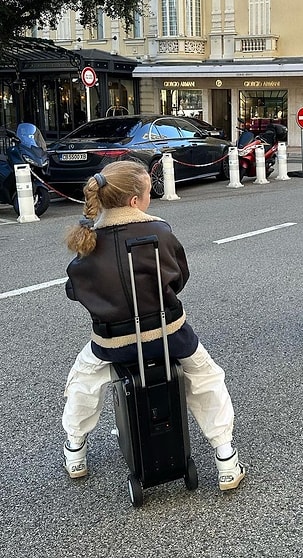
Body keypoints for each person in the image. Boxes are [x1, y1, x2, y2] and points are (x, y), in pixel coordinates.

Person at [61, 160, 246, 491]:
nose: (151, 197)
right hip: (169, 333)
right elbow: (180, 277)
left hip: (112, 341)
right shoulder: (159, 231)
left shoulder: (88, 240)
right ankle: (226, 459)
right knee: (207, 379)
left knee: (83, 382)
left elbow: (74, 289)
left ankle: (75, 450)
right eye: (149, 192)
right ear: (135, 201)